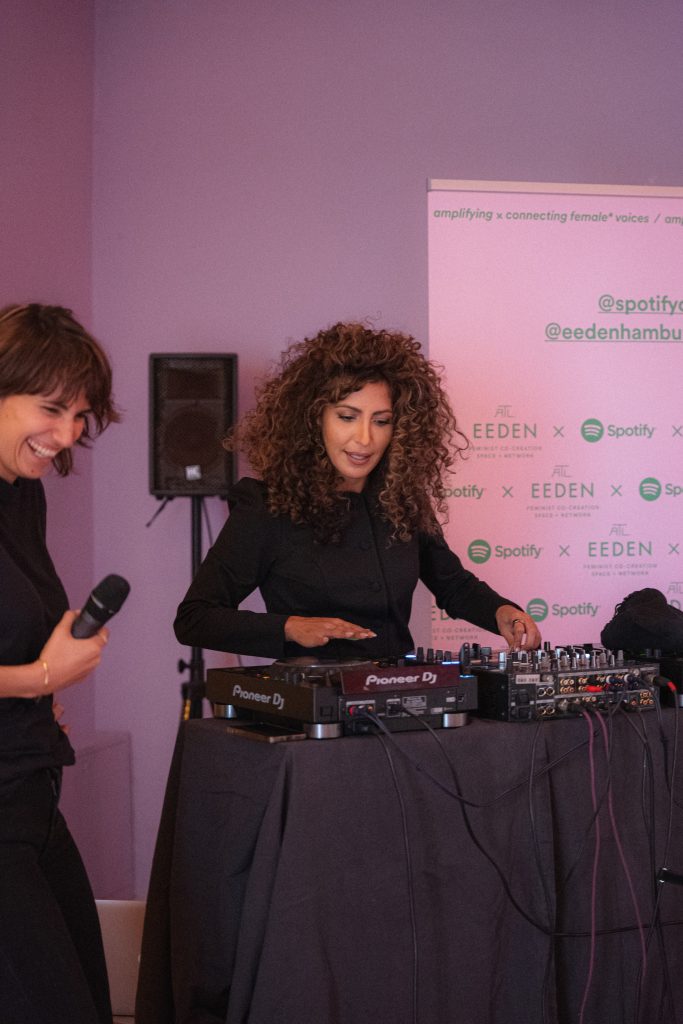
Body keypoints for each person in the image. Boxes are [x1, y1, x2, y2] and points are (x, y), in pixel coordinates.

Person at [174, 321, 541, 662]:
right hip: (314, 713)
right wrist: (289, 628)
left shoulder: (402, 500)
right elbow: (195, 618)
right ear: (313, 418)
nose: (364, 439)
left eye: (381, 421)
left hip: (401, 697)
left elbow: (453, 585)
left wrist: (501, 612)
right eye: (347, 417)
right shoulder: (267, 507)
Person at [0, 303, 119, 1024]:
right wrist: (39, 680)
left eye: (80, 414)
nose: (68, 433)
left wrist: (34, 690)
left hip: (31, 790)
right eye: (50, 408)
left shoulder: (23, 496)